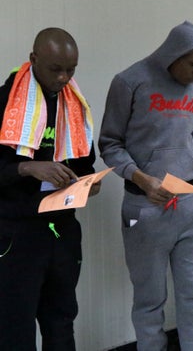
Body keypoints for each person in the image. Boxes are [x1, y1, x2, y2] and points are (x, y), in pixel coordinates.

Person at [99, 21, 193, 350]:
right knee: (149, 300)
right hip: (144, 208)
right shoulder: (129, 81)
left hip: (189, 205)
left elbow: (185, 139)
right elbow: (109, 144)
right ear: (173, 55)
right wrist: (141, 177)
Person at [0, 28, 99, 350]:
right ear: (33, 59)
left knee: (62, 319)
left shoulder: (74, 104)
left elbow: (85, 164)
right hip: (17, 233)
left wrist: (88, 183)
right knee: (16, 325)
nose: (64, 78)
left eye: (71, 70)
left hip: (62, 229)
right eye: (56, 69)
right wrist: (26, 167)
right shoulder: (5, 101)